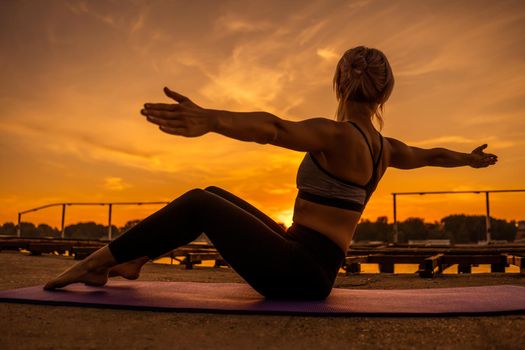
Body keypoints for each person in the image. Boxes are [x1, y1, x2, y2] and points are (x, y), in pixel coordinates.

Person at [43, 46, 497, 299]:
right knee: (212, 192)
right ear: (385, 94)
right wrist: (469, 159)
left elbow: (274, 128)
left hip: (303, 273)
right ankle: (133, 258)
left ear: (340, 83)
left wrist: (212, 120)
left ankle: (97, 261)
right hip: (305, 256)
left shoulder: (336, 135)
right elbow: (434, 155)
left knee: (200, 205)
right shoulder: (386, 148)